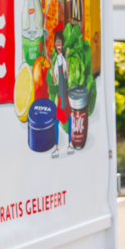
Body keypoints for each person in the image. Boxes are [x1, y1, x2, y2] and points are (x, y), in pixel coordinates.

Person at [51, 29, 72, 158]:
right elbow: (54, 81)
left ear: (62, 44)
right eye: (57, 41)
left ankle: (68, 145)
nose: (58, 44)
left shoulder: (63, 59)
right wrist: (50, 65)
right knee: (58, 121)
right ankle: (58, 147)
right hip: (60, 94)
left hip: (64, 93)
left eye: (60, 42)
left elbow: (67, 74)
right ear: (55, 44)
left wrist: (67, 58)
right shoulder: (56, 61)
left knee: (68, 118)